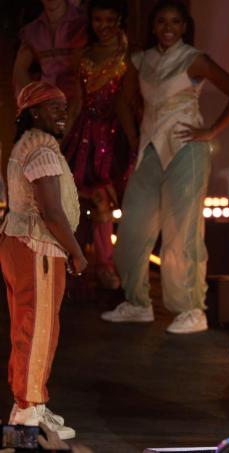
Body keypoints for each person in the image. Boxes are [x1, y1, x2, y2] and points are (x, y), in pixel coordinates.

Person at [101, 0, 229, 333]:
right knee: (133, 228)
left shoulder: (194, 59)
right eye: (162, 21)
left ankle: (191, 309)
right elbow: (123, 100)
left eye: (175, 22)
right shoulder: (142, 60)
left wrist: (210, 131)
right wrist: (136, 138)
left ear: (183, 27)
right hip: (150, 150)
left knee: (183, 233)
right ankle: (137, 302)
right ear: (153, 26)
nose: (167, 27)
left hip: (186, 150)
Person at [0, 81, 88, 439]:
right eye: (53, 106)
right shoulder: (40, 150)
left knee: (35, 326)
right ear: (33, 112)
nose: (62, 112)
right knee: (36, 328)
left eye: (64, 105)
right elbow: (52, 212)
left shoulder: (31, 145)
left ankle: (30, 405)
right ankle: (27, 412)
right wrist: (76, 251)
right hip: (36, 247)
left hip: (27, 245)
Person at [61, 0, 133, 290]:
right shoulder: (84, 55)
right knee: (75, 198)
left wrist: (133, 138)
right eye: (98, 20)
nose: (104, 26)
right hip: (85, 134)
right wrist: (62, 136)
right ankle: (74, 262)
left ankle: (106, 265)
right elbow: (78, 100)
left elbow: (129, 100)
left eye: (110, 19)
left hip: (113, 134)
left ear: (119, 21)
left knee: (104, 199)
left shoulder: (129, 54)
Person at [13, 0, 88, 133]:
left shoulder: (84, 22)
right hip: (49, 114)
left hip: (82, 113)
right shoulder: (32, 31)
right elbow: (19, 70)